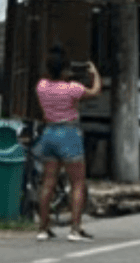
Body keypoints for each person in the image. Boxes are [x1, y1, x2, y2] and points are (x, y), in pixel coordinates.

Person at [32, 46, 102, 242]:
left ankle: (43, 228)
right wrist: (94, 74)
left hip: (49, 133)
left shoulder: (42, 86)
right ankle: (75, 228)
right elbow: (95, 92)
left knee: (48, 183)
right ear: (65, 70)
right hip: (69, 134)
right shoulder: (72, 89)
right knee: (78, 183)